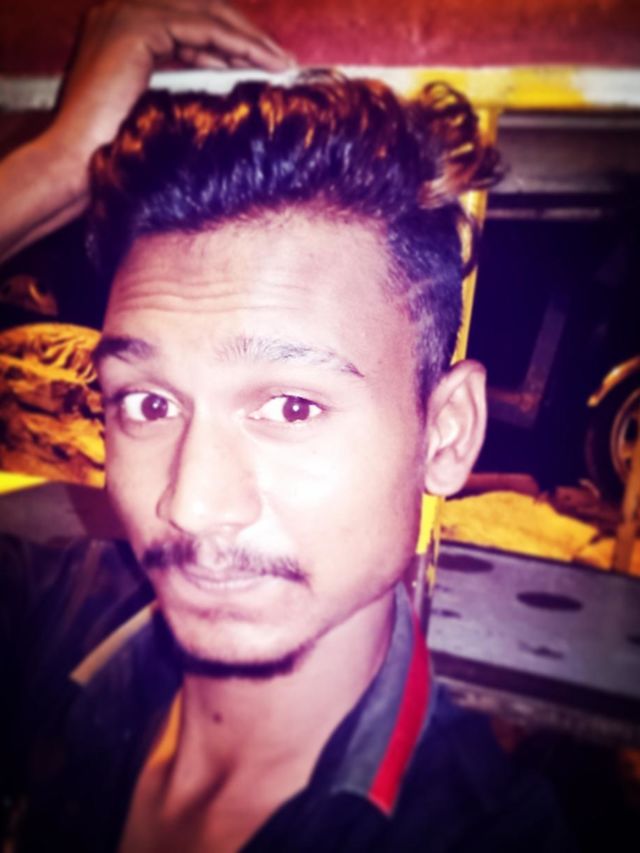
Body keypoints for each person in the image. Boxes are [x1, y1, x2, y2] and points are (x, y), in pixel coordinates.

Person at [1, 2, 577, 851]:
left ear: (447, 432)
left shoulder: (486, 836)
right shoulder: (43, 615)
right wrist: (56, 165)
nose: (191, 504)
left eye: (291, 407)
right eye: (149, 404)